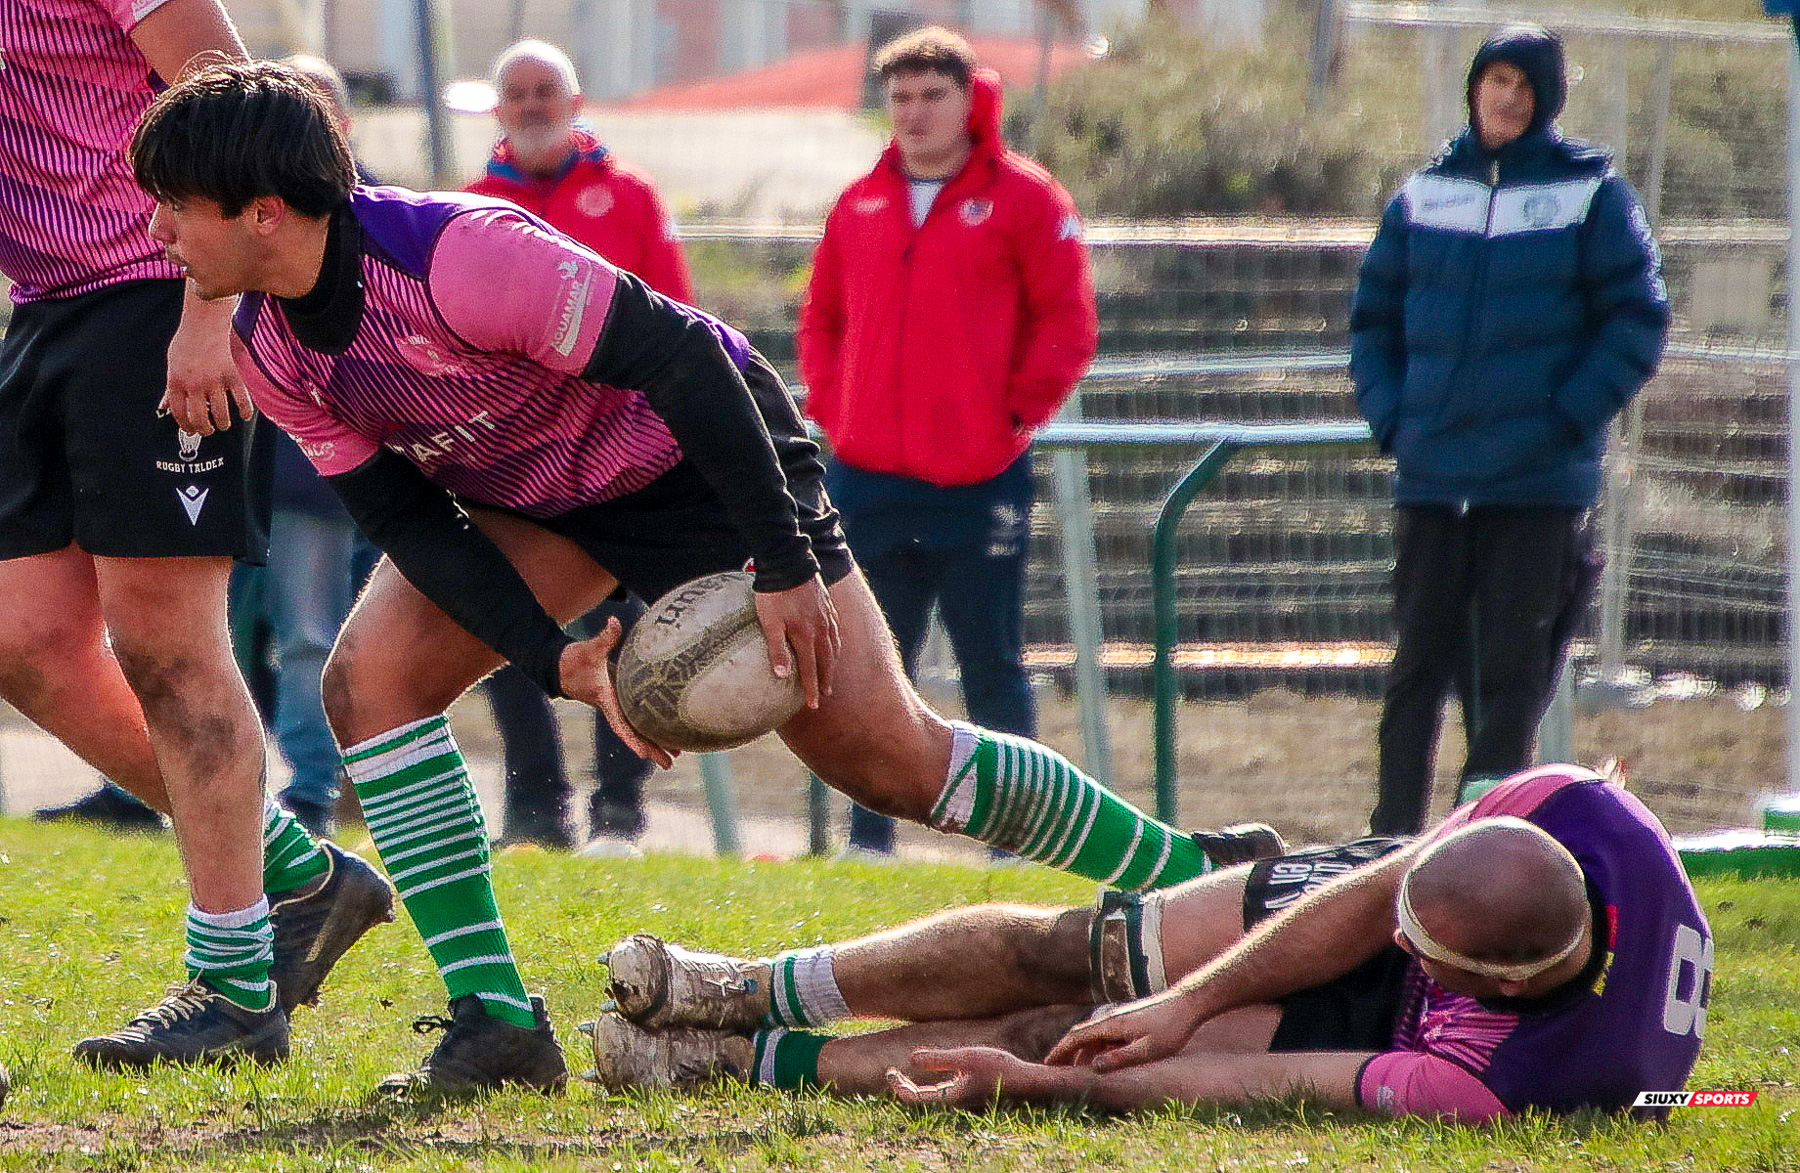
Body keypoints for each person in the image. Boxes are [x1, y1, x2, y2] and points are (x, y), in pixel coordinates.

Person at [128, 61, 1282, 1098]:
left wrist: (783, 560)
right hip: (536, 496)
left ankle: (1204, 884)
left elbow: (686, 357)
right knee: (369, 684)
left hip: (697, 464)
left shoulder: (459, 257)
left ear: (263, 212)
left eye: (177, 205)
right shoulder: (270, 342)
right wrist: (554, 658)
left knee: (889, 759)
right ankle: (495, 1020)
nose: (160, 230)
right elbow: (403, 519)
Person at [0, 0, 391, 1070]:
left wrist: (211, 310)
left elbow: (230, 101)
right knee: (24, 641)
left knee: (169, 651)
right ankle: (299, 874)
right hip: (47, 308)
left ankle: (233, 989)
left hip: (154, 299)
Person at [589, 763, 1713, 1123]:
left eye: (1422, 948)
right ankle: (746, 986)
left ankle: (732, 1058)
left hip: (1408, 1029)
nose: (1396, 941)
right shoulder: (1561, 805)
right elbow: (1376, 896)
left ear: (1483, 982)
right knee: (1092, 949)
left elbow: (1265, 1083)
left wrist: (1052, 1086)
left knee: (1069, 1036)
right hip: (1446, 881)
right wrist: (1183, 995)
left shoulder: (1504, 1079)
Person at [1348, 24, 1669, 835]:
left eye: (1524, 84)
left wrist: (1563, 418)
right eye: (1496, 80)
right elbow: (1372, 319)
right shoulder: (1423, 195)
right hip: (1433, 478)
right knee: (1415, 670)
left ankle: (1479, 842)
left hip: (1536, 484)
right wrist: (1396, 420)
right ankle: (1389, 843)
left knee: (1511, 679)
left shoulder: (1593, 196)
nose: (1508, 97)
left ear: (1547, 97)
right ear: (1474, 89)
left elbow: (1637, 319)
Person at [799, 27, 1096, 857]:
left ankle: (1017, 840)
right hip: (866, 478)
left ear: (972, 99)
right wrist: (836, 411)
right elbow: (821, 319)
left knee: (990, 662)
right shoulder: (858, 202)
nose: (915, 112)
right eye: (901, 97)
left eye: (933, 95)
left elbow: (1067, 323)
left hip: (978, 478)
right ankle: (869, 841)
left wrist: (1010, 418)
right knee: (865, 667)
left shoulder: (1027, 198)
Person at [465, 37, 694, 850]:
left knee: (626, 631)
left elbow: (678, 317)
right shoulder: (469, 208)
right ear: (498, 109)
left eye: (546, 90)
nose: (532, 105)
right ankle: (536, 809)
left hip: (618, 456)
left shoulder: (629, 196)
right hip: (514, 461)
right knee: (507, 632)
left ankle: (619, 813)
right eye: (517, 92)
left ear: (575, 102)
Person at [227, 53, 382, 838]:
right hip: (241, 464)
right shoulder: (229, 213)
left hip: (328, 472)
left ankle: (320, 789)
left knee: (315, 638)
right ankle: (220, 786)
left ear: (344, 125)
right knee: (218, 637)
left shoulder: (379, 218)